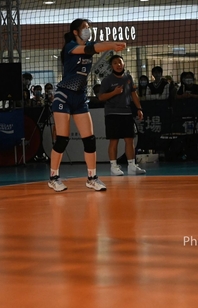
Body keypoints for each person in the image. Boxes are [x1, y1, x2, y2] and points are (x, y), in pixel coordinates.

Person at [48, 18, 126, 192]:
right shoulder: (70, 47)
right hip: (64, 96)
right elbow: (91, 49)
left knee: (90, 140)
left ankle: (92, 178)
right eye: (84, 28)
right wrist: (112, 45)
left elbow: (97, 45)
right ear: (75, 32)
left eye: (89, 28)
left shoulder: (90, 45)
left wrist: (113, 44)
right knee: (62, 139)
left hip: (80, 98)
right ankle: (53, 178)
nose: (87, 30)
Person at [98, 55, 145, 176]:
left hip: (127, 113)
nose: (118, 65)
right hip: (112, 113)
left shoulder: (128, 78)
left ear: (124, 63)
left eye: (120, 62)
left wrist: (139, 108)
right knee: (114, 141)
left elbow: (133, 94)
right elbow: (101, 97)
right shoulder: (107, 80)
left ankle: (132, 166)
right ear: (111, 66)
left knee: (129, 139)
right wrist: (114, 92)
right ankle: (114, 166)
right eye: (115, 63)